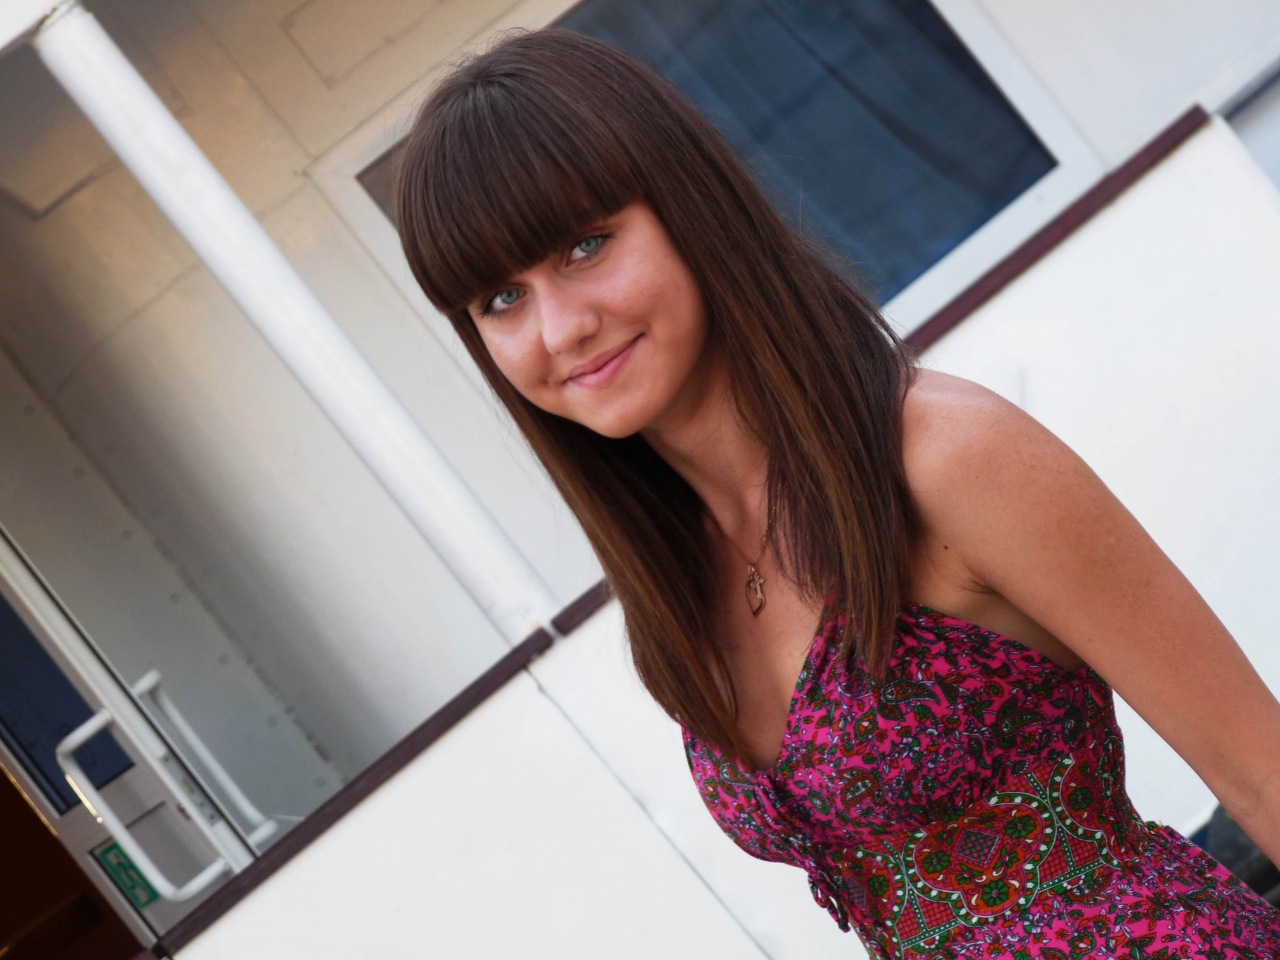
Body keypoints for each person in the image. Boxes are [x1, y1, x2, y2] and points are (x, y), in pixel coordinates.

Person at [395, 28, 1280, 959]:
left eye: (586, 245)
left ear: (688, 206)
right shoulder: (679, 575)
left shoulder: (938, 457)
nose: (561, 328)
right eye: (501, 299)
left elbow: (1259, 770)